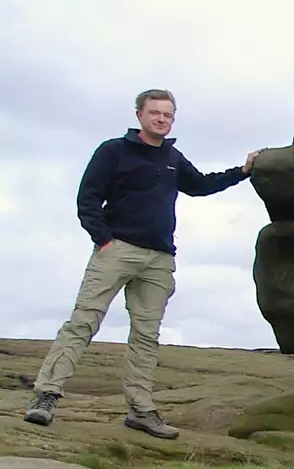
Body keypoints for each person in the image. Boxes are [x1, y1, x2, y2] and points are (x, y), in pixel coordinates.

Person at [24, 89, 264, 438]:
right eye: (155, 113)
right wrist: (104, 240)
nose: (161, 119)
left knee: (146, 335)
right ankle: (46, 396)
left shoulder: (172, 157)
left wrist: (243, 171)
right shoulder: (113, 151)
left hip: (159, 258)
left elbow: (199, 185)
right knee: (83, 322)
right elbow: (88, 198)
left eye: (167, 114)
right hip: (117, 249)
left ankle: (140, 410)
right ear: (139, 115)